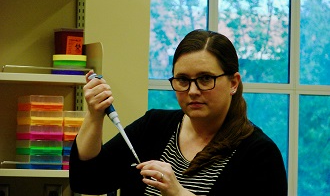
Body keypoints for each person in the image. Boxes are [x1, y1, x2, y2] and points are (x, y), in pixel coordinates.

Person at [69, 29, 288, 196]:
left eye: (205, 79)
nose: (192, 91)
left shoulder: (260, 155)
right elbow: (87, 179)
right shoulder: (153, 127)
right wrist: (95, 114)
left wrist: (180, 193)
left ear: (233, 82)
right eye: (183, 80)